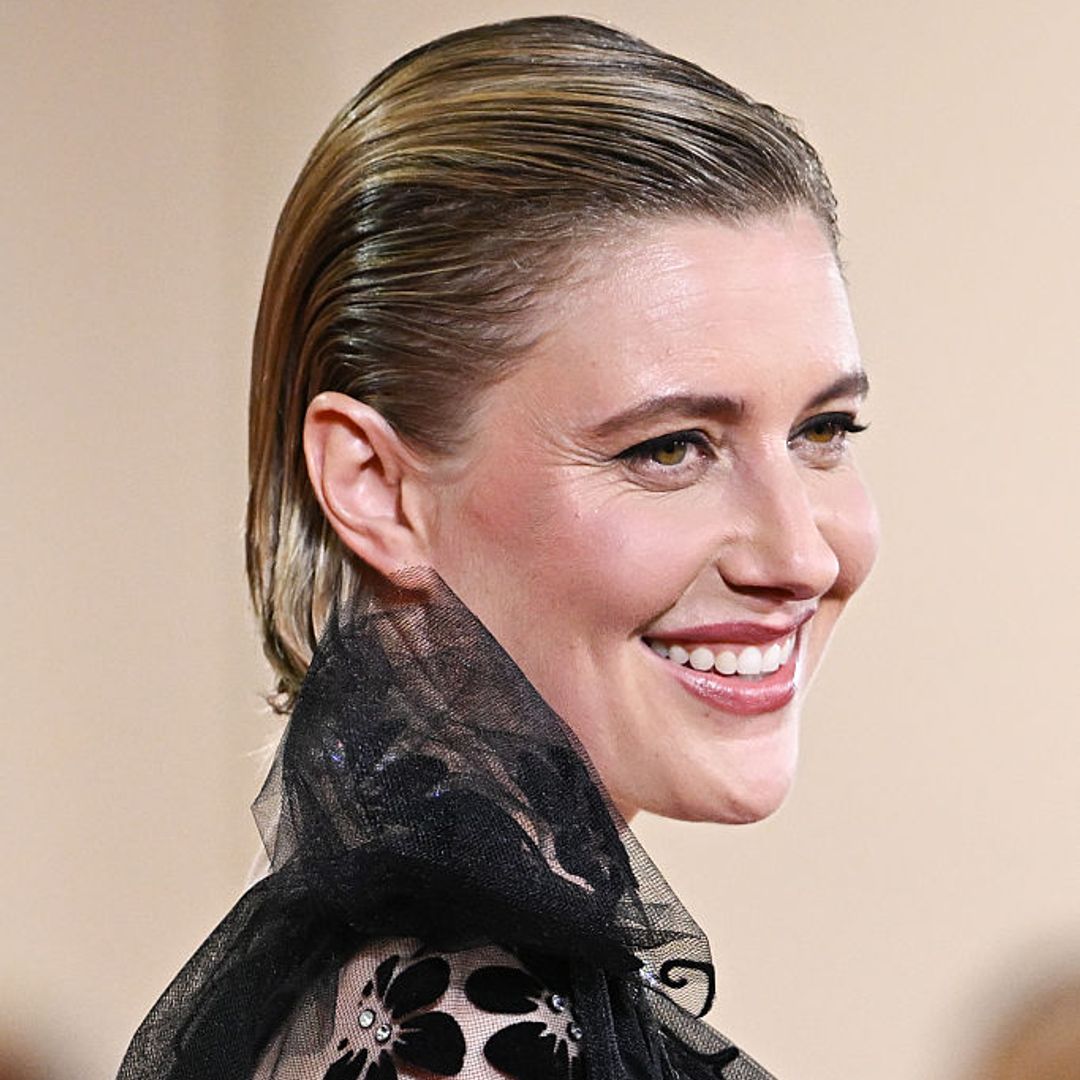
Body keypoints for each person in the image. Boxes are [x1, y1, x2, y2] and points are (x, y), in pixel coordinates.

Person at [119, 15, 878, 1080]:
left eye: (823, 432)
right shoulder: (471, 1030)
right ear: (374, 487)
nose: (799, 553)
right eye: (669, 447)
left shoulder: (425, 996)